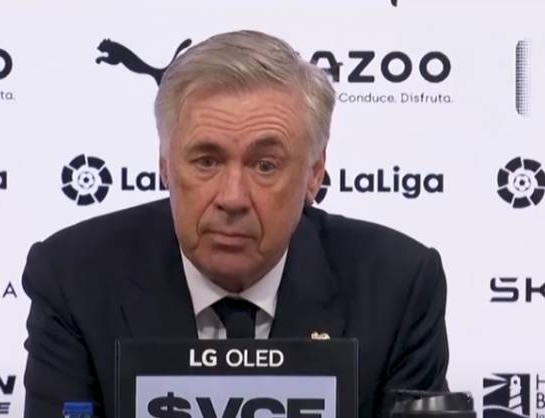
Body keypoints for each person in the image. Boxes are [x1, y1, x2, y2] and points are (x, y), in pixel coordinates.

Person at [22, 30, 449, 418]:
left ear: (315, 174)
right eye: (206, 161)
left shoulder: (397, 286)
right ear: (165, 165)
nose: (232, 198)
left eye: (265, 165)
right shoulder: (75, 278)